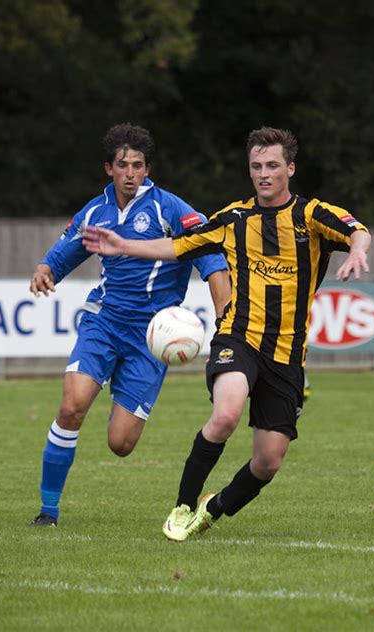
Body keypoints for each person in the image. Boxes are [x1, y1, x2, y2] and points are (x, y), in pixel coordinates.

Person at [82, 126, 371, 541]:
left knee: (268, 462)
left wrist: (357, 249)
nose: (264, 174)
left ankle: (213, 509)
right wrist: (123, 245)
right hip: (238, 336)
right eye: (256, 166)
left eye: (272, 165)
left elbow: (357, 229)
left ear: (290, 168)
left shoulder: (312, 216)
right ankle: (182, 506)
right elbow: (178, 246)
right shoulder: (233, 219)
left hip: (288, 353)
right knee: (227, 413)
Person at [29, 123, 230, 527]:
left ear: (147, 168)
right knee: (71, 407)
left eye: (138, 165)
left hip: (151, 338)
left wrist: (225, 317)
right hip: (104, 321)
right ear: (109, 168)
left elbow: (211, 256)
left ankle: (121, 391)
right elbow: (67, 250)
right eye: (123, 165)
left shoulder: (170, 208)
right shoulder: (96, 210)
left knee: (120, 444)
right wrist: (46, 267)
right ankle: (47, 512)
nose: (131, 172)